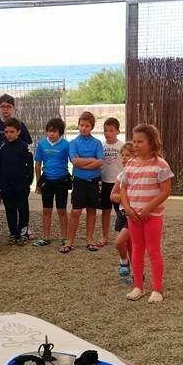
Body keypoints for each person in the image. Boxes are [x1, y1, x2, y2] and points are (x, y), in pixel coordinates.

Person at [119, 124, 174, 303]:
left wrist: (148, 208)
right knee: (136, 249)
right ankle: (138, 287)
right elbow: (123, 188)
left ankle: (157, 289)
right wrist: (127, 209)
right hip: (133, 215)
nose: (135, 145)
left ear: (151, 142)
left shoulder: (161, 164)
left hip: (152, 216)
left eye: (140, 141)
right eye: (134, 141)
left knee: (153, 249)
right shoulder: (130, 165)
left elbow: (166, 191)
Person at [0, 94, 32, 237]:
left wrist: (28, 179)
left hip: (18, 176)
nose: (5, 109)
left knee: (21, 204)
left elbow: (27, 150)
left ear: (13, 108)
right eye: (3, 106)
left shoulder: (21, 126)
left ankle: (23, 229)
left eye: (8, 106)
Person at [61, 111, 104, 254]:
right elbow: (75, 161)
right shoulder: (73, 143)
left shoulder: (97, 143)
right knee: (76, 211)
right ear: (78, 125)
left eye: (87, 126)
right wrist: (91, 160)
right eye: (81, 125)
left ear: (92, 127)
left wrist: (84, 162)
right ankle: (70, 241)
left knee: (92, 210)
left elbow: (100, 162)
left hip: (94, 181)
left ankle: (90, 240)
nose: (83, 128)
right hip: (79, 180)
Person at [0, 118, 34, 245]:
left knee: (22, 209)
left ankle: (22, 233)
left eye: (12, 132)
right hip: (6, 186)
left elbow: (30, 165)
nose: (9, 134)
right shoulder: (1, 147)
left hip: (21, 185)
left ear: (18, 132)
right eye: (6, 132)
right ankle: (13, 233)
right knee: (9, 209)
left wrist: (28, 181)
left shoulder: (24, 147)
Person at [33, 118, 70, 247]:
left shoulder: (66, 145)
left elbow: (74, 162)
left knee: (62, 210)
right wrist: (38, 183)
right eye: (49, 131)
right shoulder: (42, 144)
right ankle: (46, 237)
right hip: (47, 180)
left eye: (54, 131)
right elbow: (37, 164)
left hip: (61, 180)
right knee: (46, 209)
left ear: (60, 132)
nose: (51, 134)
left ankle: (65, 237)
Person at [111, 142, 135, 284]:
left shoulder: (138, 175)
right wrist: (121, 197)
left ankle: (127, 265)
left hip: (132, 214)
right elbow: (112, 195)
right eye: (123, 155)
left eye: (128, 155)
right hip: (122, 213)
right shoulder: (121, 175)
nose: (125, 158)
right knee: (127, 244)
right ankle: (130, 268)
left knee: (121, 242)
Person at [98, 117, 124, 247]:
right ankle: (105, 236)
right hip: (105, 182)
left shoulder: (122, 146)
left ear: (117, 131)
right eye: (105, 130)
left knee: (121, 211)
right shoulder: (101, 145)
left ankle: (122, 235)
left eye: (111, 130)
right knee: (105, 210)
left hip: (118, 183)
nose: (108, 133)